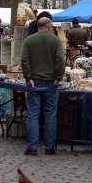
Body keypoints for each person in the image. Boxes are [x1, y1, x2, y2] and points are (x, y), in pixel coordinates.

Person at [21, 17, 65, 156]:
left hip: (34, 81)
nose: (52, 29)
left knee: (33, 115)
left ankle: (32, 147)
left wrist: (28, 77)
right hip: (51, 82)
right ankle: (50, 147)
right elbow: (60, 59)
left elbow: (24, 59)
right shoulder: (56, 40)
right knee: (50, 115)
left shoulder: (29, 40)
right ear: (47, 27)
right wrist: (58, 77)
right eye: (51, 27)